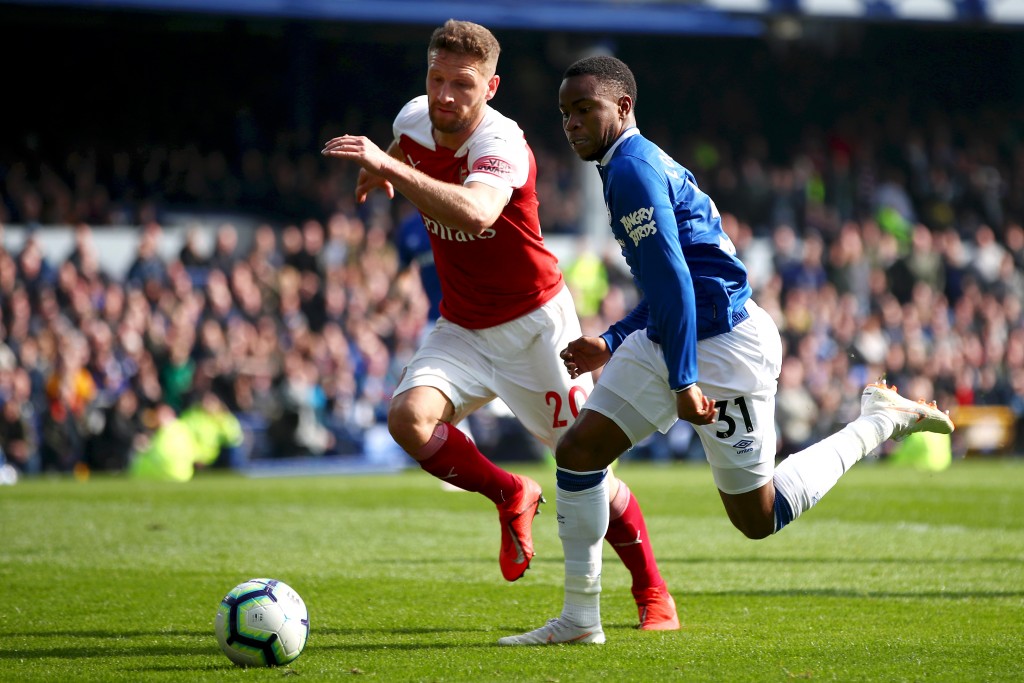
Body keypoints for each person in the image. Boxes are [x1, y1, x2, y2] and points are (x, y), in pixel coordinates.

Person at [498, 55, 955, 646]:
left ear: (624, 107)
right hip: (674, 333)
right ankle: (581, 618)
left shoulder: (634, 170)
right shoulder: (626, 166)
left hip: (726, 347)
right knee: (580, 451)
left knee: (757, 518)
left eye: (585, 109)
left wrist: (685, 379)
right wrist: (613, 341)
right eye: (565, 114)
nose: (573, 123)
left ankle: (876, 421)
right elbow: (672, 283)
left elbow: (678, 284)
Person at [322, 21, 680, 629]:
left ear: (490, 86)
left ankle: (652, 590)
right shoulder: (411, 120)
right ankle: (511, 492)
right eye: (436, 80)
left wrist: (392, 167)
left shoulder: (503, 141)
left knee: (588, 470)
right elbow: (405, 144)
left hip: (537, 329)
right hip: (462, 325)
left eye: (462, 85)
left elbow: (480, 209)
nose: (444, 96)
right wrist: (383, 169)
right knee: (407, 421)